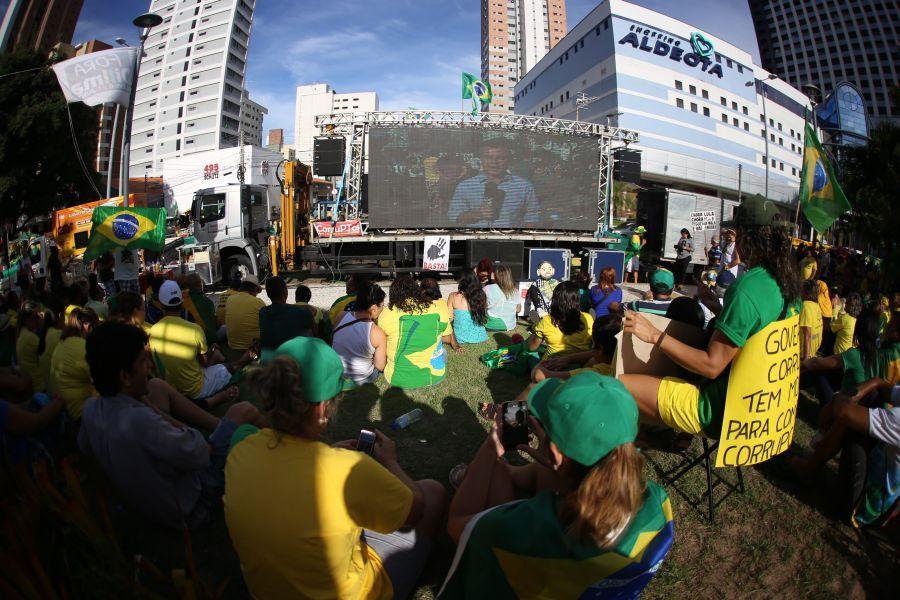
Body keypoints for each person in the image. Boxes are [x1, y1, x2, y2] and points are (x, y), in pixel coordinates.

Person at [224, 337, 447, 598]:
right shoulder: (348, 471)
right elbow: (415, 509)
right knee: (432, 493)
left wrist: (331, 454)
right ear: (321, 408)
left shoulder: (240, 450)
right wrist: (390, 461)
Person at [442, 372, 673, 598]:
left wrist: (491, 444)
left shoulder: (534, 529)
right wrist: (552, 464)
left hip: (532, 567)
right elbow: (526, 475)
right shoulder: (658, 500)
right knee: (501, 471)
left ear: (556, 452)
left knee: (495, 476)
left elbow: (457, 524)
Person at [619, 203, 802, 439]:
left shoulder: (749, 287)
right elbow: (754, 332)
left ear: (746, 237)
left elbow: (710, 366)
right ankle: (657, 437)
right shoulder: (787, 282)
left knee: (617, 387)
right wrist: (717, 307)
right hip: (763, 411)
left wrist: (654, 335)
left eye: (732, 235)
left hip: (719, 410)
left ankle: (642, 446)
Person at [79, 320, 260, 529]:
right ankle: (280, 443)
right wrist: (152, 410)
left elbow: (86, 448)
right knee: (243, 410)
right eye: (142, 361)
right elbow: (201, 452)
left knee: (156, 385)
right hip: (192, 506)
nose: (149, 366)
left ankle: (220, 424)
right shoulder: (140, 420)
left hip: (148, 497)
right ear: (125, 377)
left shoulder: (91, 408)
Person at [789, 379, 899, 526]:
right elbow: (879, 384)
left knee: (849, 418)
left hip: (864, 512)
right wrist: (870, 385)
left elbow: (843, 412)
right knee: (868, 398)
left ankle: (808, 470)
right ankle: (812, 463)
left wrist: (837, 398)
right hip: (881, 494)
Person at [149, 280, 237, 403]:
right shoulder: (194, 329)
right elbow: (205, 363)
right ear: (181, 302)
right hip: (196, 390)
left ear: (161, 305)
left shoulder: (152, 332)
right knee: (227, 367)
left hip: (171, 390)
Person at [378, 275, 453, 388]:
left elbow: (382, 343)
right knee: (443, 352)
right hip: (434, 377)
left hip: (397, 379)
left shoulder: (386, 314)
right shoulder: (437, 309)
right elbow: (447, 338)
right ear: (417, 291)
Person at [447, 140, 539, 228]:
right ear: (481, 160)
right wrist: (477, 215)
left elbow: (532, 216)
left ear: (509, 160)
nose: (494, 162)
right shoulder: (465, 186)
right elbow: (453, 215)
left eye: (500, 158)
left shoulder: (524, 186)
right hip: (476, 240)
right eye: (488, 157)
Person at [530, 314, 623, 383]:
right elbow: (595, 353)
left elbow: (539, 376)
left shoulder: (596, 373)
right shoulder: (625, 363)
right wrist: (567, 359)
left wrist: (540, 365)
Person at [332, 281, 388, 385]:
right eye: (382, 306)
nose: (383, 309)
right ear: (374, 309)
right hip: (362, 378)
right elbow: (380, 366)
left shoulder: (341, 316)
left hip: (337, 373)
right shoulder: (377, 333)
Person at [49, 307, 100, 420]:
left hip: (64, 409)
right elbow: (103, 383)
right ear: (88, 326)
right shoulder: (83, 347)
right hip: (80, 413)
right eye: (96, 327)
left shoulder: (64, 342)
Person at [528, 281, 594, 358]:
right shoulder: (588, 318)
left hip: (551, 366)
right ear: (577, 299)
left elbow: (532, 347)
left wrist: (535, 330)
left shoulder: (546, 321)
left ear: (555, 300)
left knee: (529, 356)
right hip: (581, 365)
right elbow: (592, 345)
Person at [258, 275, 313, 357]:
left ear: (268, 295)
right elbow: (316, 334)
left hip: (269, 364)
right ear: (285, 292)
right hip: (292, 364)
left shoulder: (262, 312)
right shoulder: (303, 313)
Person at [224, 275, 265, 351]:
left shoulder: (230, 299)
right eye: (256, 292)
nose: (256, 295)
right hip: (252, 348)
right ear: (254, 289)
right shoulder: (258, 302)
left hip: (232, 346)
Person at [447, 271, 489, 344]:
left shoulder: (453, 296)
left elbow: (449, 318)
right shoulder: (481, 295)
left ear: (461, 282)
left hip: (460, 337)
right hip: (481, 337)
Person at [15, 301, 45, 392]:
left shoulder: (22, 333)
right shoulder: (30, 338)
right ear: (27, 318)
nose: (38, 319)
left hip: (32, 383)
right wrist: (43, 325)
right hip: (39, 384)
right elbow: (46, 355)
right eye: (36, 316)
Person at [181, 273, 218, 345]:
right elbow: (213, 323)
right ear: (199, 284)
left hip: (188, 338)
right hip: (207, 339)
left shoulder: (183, 300)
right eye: (201, 281)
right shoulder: (207, 302)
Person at [484, 264, 521, 331]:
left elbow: (481, 306)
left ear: (495, 275)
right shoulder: (515, 291)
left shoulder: (487, 288)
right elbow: (518, 310)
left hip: (491, 325)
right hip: (509, 325)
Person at [800, 279, 824, 360]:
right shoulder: (816, 306)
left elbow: (807, 333)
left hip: (804, 354)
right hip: (813, 351)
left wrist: (806, 360)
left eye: (802, 290)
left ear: (806, 292)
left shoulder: (805, 305)